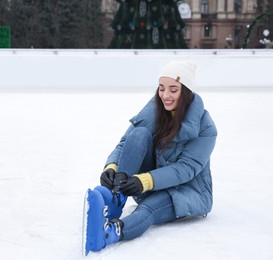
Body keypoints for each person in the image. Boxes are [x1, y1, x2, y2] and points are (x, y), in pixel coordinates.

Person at [83, 60, 217, 255]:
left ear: (186, 92)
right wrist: (111, 167)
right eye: (161, 88)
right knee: (138, 134)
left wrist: (146, 180)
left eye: (173, 89)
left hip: (186, 192)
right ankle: (117, 197)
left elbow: (186, 169)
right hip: (149, 183)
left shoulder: (206, 128)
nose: (165, 95)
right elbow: (126, 142)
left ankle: (110, 233)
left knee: (147, 209)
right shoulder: (154, 111)